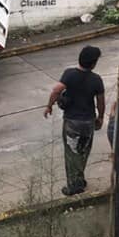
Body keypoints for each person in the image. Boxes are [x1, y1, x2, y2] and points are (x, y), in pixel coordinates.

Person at [44, 45, 105, 196]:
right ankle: (79, 180)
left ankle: (73, 186)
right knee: (83, 151)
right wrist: (100, 117)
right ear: (94, 63)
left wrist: (49, 105)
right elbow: (100, 102)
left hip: (72, 122)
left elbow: (56, 90)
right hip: (88, 121)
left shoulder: (69, 74)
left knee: (72, 154)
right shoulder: (96, 80)